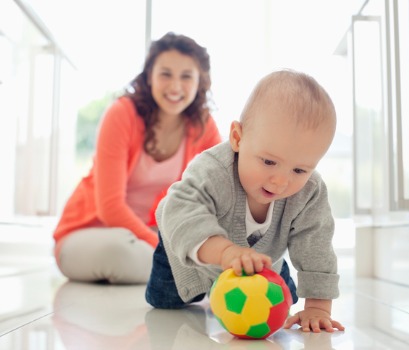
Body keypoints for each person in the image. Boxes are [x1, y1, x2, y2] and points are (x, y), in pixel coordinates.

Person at [146, 69, 345, 333]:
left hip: (260, 259)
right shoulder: (212, 170)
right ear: (238, 138)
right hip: (183, 253)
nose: (280, 182)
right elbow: (181, 210)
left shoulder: (309, 191)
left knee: (286, 301)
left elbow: (316, 243)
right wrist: (225, 253)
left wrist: (318, 307)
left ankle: (270, 269)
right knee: (166, 303)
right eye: (269, 162)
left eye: (299, 170)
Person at [52, 32, 222, 284]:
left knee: (193, 245)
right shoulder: (122, 114)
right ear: (150, 76)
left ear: (200, 82)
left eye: (186, 76)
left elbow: (220, 195)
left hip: (147, 235)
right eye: (166, 74)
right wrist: (169, 250)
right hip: (90, 234)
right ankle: (183, 273)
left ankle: (182, 273)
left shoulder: (203, 126)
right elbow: (110, 209)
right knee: (120, 250)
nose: (175, 86)